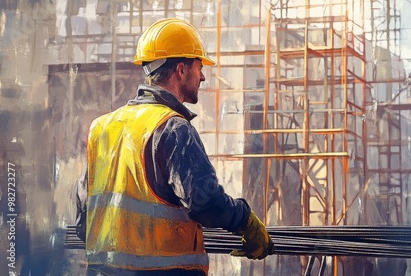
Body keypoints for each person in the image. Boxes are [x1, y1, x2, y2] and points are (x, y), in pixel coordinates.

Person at [75, 18, 274, 276]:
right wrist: (246, 221)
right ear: (181, 70)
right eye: (199, 66)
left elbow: (83, 217)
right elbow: (204, 202)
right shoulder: (172, 128)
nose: (203, 75)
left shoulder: (102, 127)